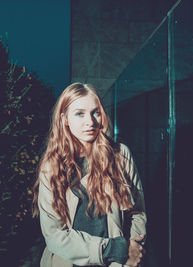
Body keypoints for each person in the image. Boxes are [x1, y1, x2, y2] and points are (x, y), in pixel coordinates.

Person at [32, 83, 146, 267]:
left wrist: (131, 251)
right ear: (65, 119)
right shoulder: (51, 167)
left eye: (95, 112)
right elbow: (54, 235)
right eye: (79, 113)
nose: (90, 122)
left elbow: (137, 212)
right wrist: (114, 249)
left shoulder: (120, 155)